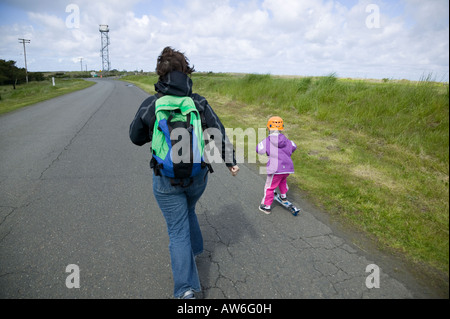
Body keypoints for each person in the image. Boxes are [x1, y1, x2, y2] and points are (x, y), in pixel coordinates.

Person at [129, 47, 239, 299]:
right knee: (188, 209)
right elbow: (217, 133)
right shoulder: (198, 102)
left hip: (166, 179)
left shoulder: (152, 104)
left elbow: (135, 138)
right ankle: (196, 250)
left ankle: (185, 292)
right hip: (198, 177)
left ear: (160, 74)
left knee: (177, 230)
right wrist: (230, 162)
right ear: (186, 73)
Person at [256, 116, 297, 214]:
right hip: (287, 168)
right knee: (282, 181)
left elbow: (259, 149)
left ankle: (266, 206)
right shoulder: (286, 140)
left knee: (269, 187)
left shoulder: (268, 140)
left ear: (269, 128)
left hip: (275, 169)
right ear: (281, 128)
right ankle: (283, 197)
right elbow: (294, 146)